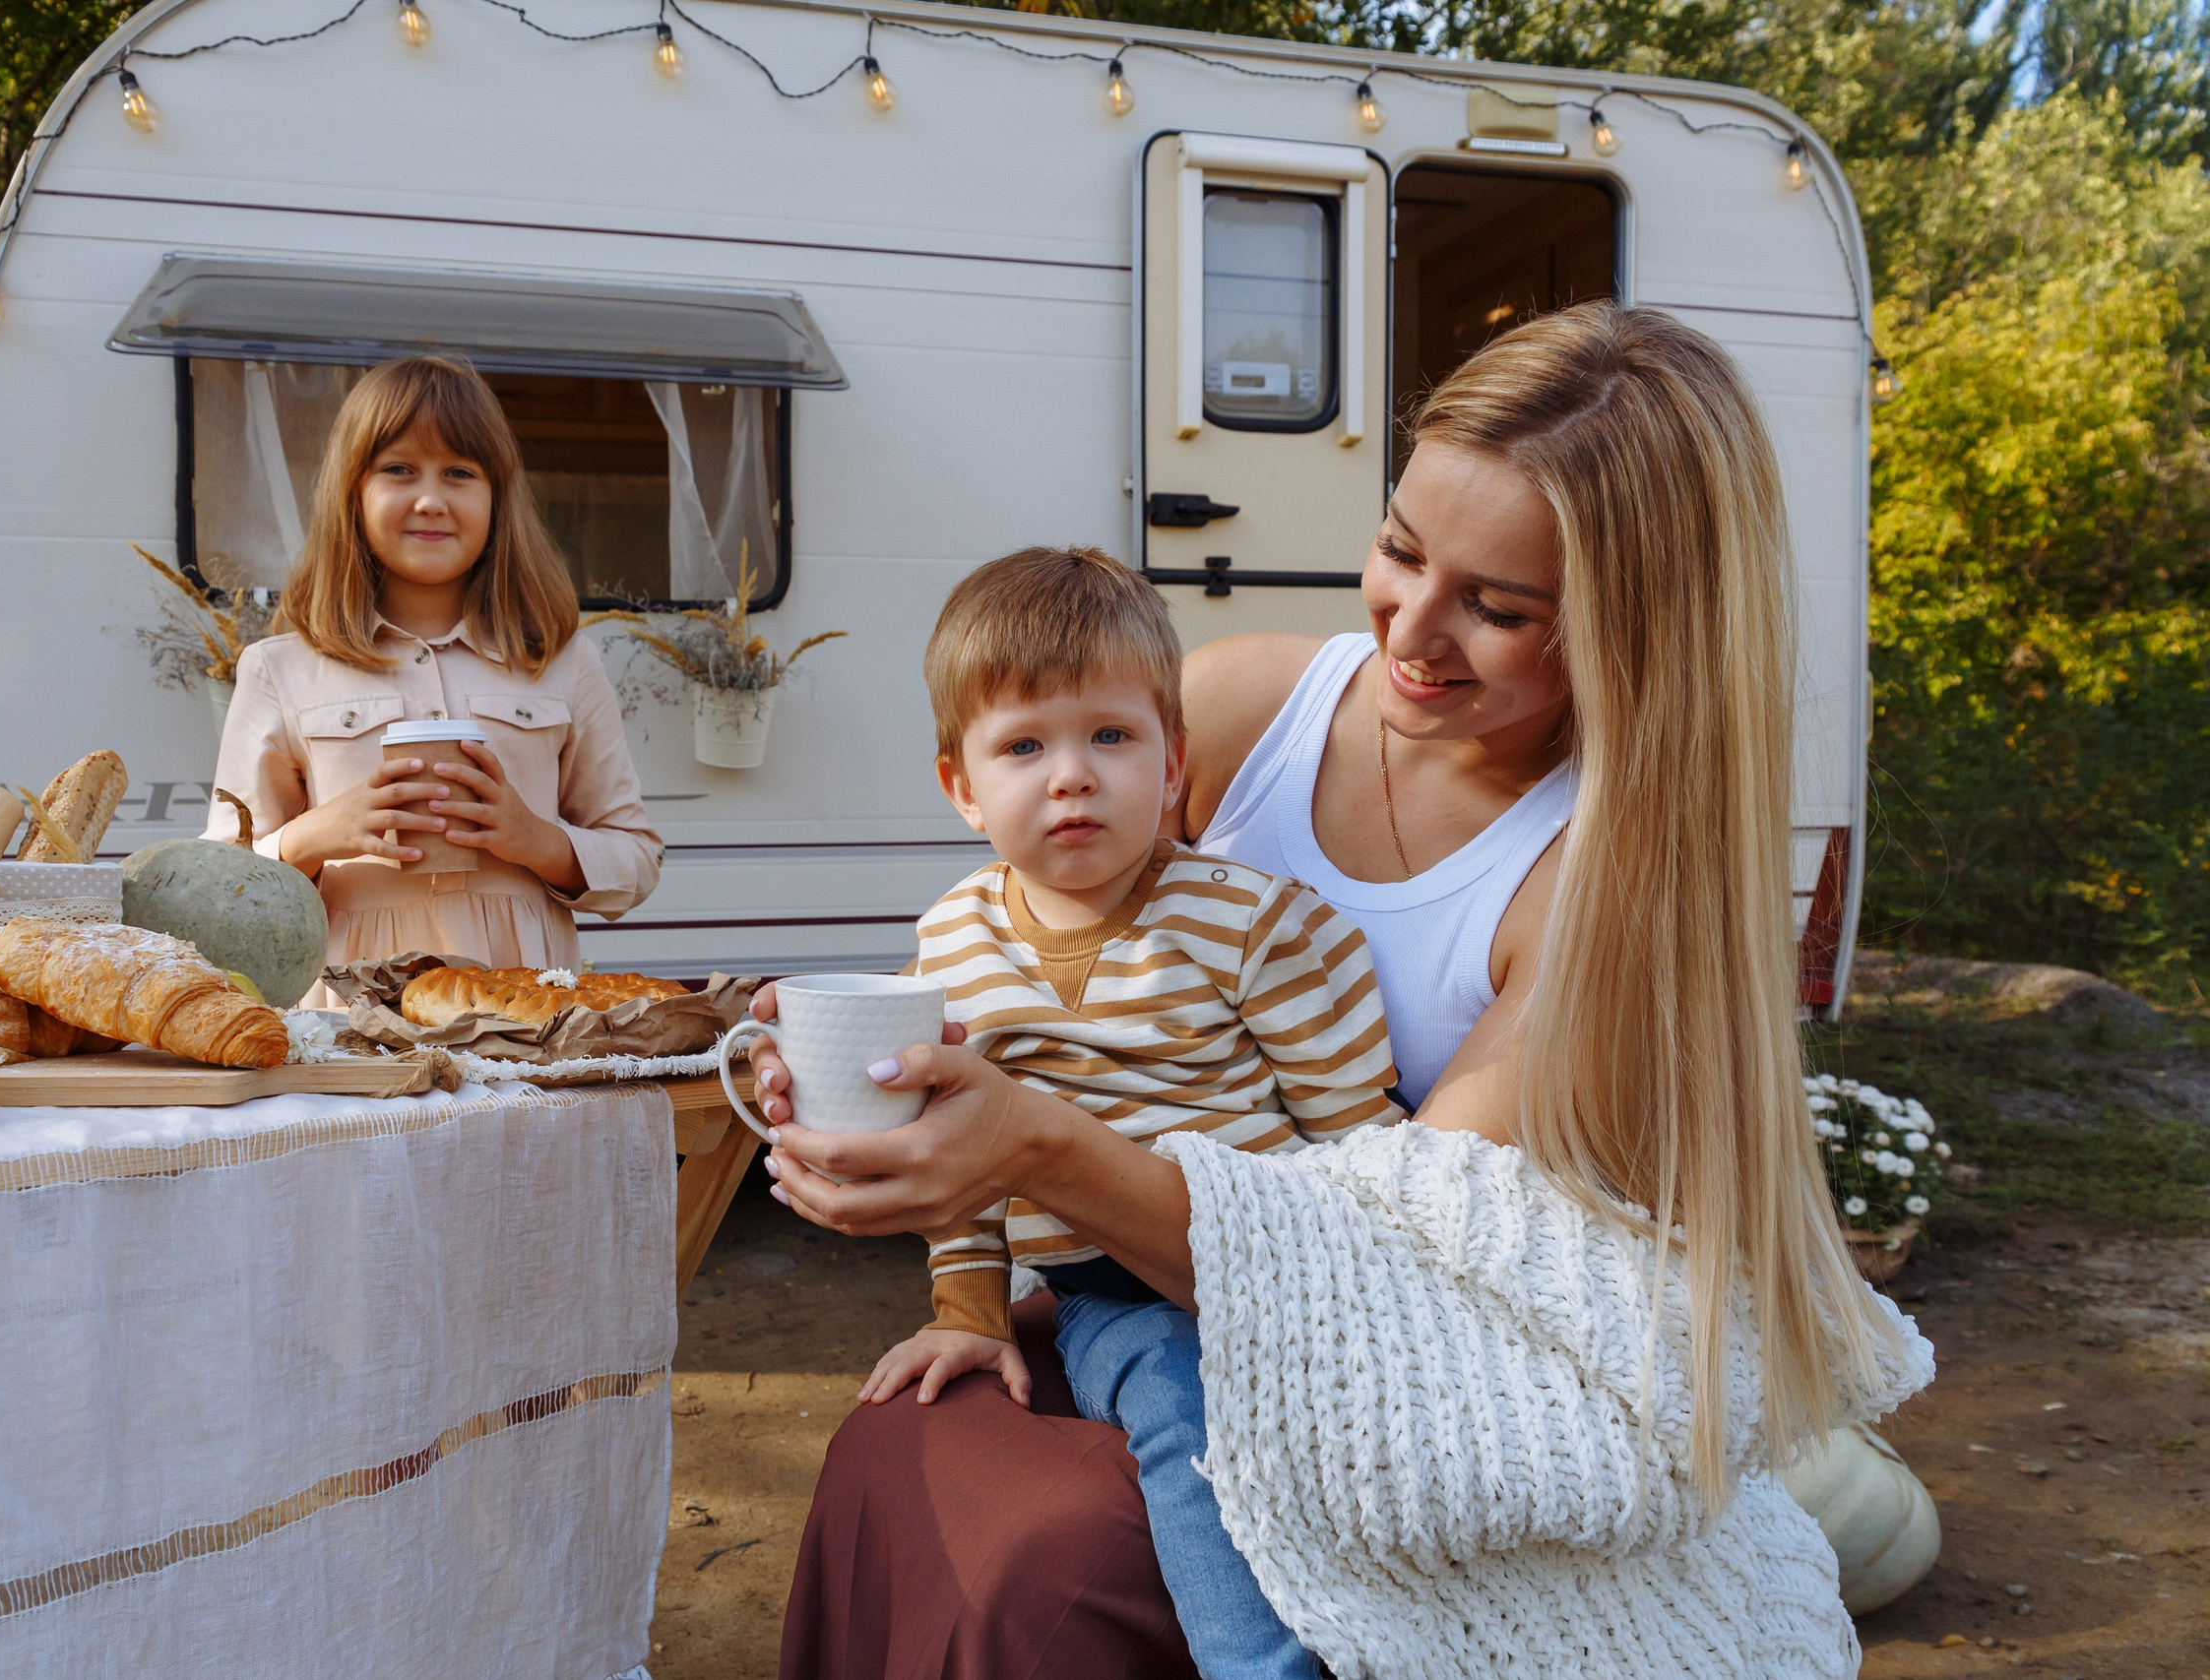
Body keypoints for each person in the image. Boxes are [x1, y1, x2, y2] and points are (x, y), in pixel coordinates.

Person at [762, 302, 1932, 1678]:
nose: (1410, 634)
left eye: (1498, 608)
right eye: (1400, 548)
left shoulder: (1605, 886)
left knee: (1046, 1562)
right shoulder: (1242, 706)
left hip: (1406, 1365)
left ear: (1635, 631)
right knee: (899, 1441)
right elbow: (1046, 945)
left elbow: (1385, 1269)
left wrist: (1036, 1147)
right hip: (1129, 1282)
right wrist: (884, 1074)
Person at [867, 545, 1401, 1680]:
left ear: (1173, 767)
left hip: (1280, 1269)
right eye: (1024, 747)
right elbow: (957, 1154)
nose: (1071, 777)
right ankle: (1257, 1667)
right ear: (961, 786)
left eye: (1110, 736)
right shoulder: (950, 946)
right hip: (1110, 1295)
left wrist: (1363, 1300)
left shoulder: (1252, 924)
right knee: (1180, 1403)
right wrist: (966, 1309)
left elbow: (1358, 1133)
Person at [211, 356, 662, 1003]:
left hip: (525, 1017)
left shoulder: (562, 662)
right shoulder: (279, 668)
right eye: (399, 469)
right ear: (353, 492)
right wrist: (315, 836)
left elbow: (638, 860)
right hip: (347, 1021)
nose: (430, 499)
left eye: (460, 472)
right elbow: (217, 883)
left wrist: (536, 840)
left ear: (498, 497)